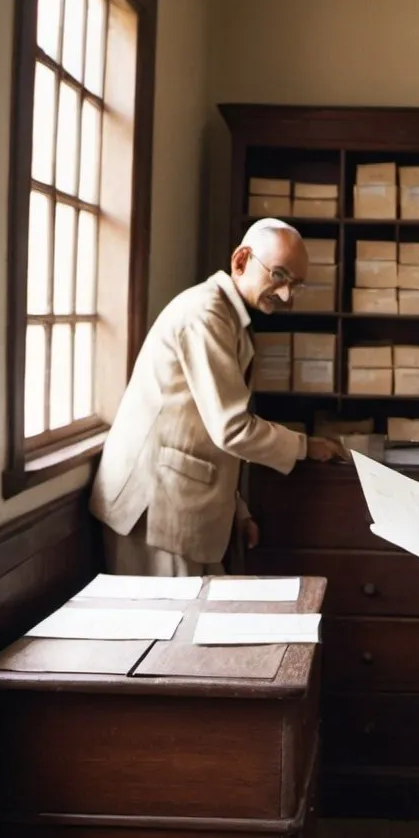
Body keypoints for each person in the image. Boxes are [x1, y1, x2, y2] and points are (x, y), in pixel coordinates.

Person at [90, 218, 343, 576]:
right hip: (155, 509)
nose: (286, 295)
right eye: (279, 275)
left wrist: (236, 510)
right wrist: (305, 446)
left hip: (177, 502)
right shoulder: (205, 314)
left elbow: (208, 430)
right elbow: (232, 428)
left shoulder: (225, 315)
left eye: (295, 285)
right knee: (176, 626)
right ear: (241, 261)